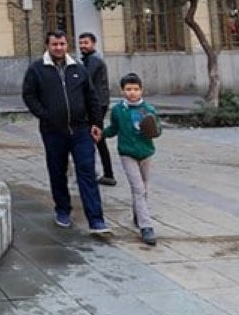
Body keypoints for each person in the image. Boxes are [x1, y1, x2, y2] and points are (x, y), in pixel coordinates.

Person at [22, 29, 111, 235]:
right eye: (55, 44)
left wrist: (96, 123)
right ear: (48, 45)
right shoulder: (37, 69)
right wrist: (45, 115)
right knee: (57, 171)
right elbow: (29, 95)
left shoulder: (78, 68)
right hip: (53, 131)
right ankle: (62, 210)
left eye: (62, 44)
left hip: (81, 130)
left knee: (87, 171)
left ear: (66, 45)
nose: (59, 48)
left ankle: (96, 220)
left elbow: (91, 97)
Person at [100, 73, 162, 246]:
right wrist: (101, 134)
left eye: (135, 89)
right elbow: (114, 128)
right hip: (127, 154)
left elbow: (157, 130)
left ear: (141, 90)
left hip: (146, 153)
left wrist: (153, 130)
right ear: (122, 91)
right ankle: (146, 226)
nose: (132, 92)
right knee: (138, 188)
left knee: (144, 188)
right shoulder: (118, 110)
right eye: (128, 89)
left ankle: (138, 213)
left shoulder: (148, 109)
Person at [79, 31, 115, 186]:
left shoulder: (93, 60)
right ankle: (105, 173)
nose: (82, 46)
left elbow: (85, 80)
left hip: (97, 104)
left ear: (93, 44)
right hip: (98, 103)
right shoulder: (89, 59)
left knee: (95, 137)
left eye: (86, 43)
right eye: (81, 43)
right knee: (96, 138)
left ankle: (106, 174)